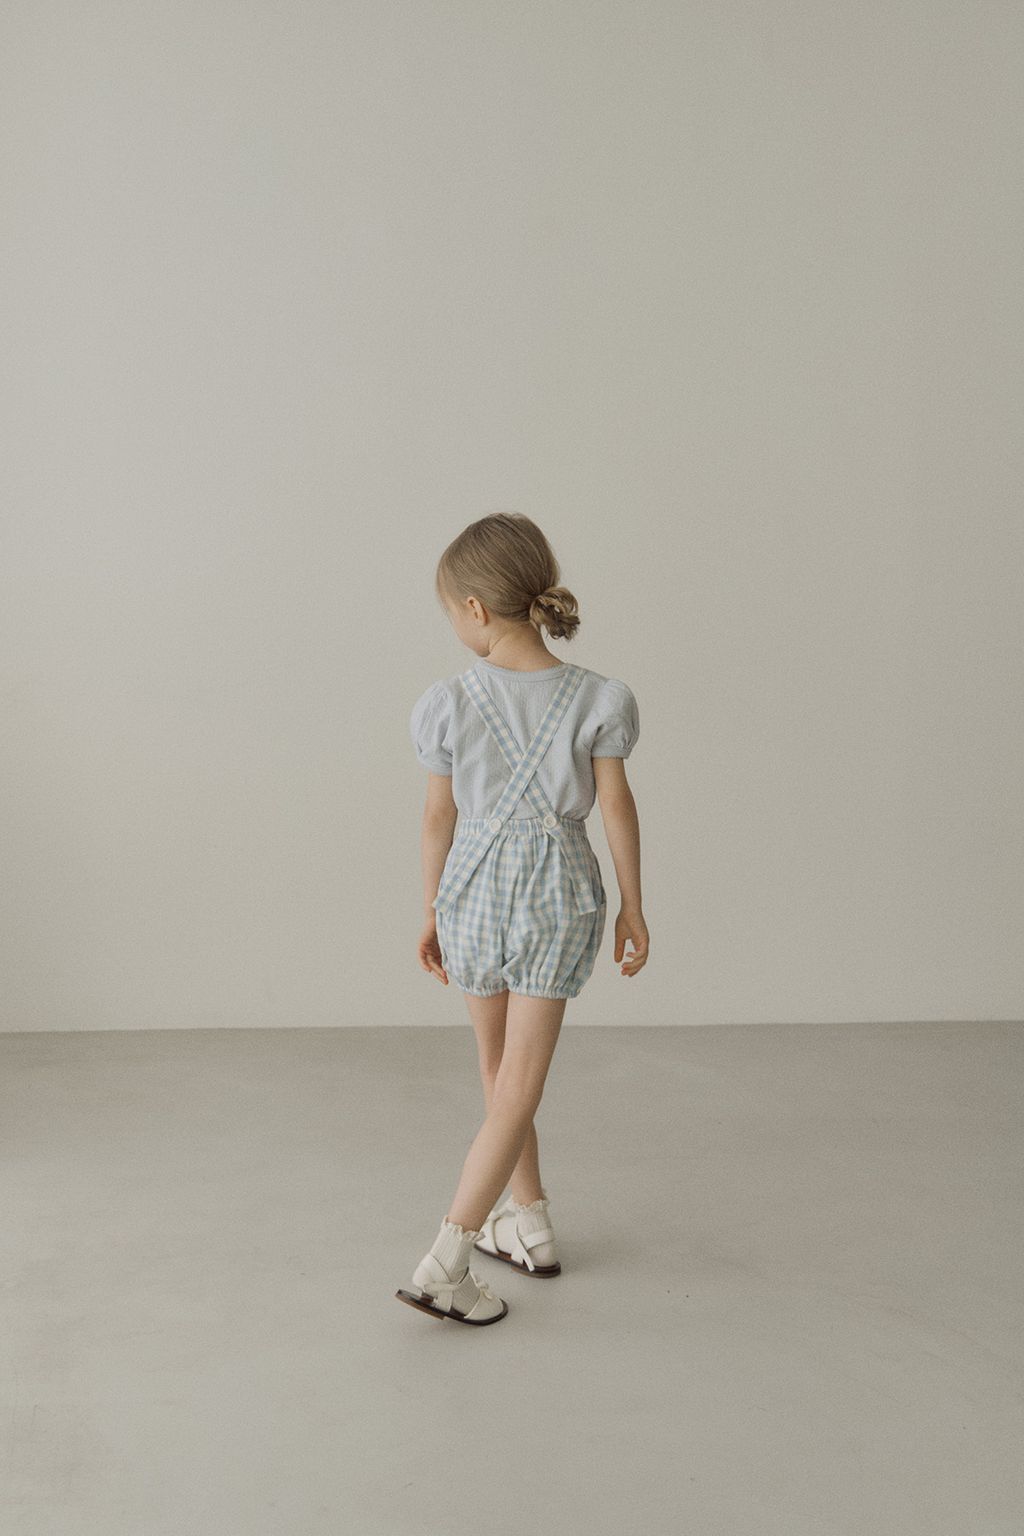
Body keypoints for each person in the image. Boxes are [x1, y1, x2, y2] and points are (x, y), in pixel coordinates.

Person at [395, 512, 649, 1325]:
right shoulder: (599, 698)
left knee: (498, 1071)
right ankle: (489, 1237)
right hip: (557, 892)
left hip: (471, 890)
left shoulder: (447, 702)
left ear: (474, 609)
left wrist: (432, 908)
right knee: (519, 1084)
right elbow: (616, 805)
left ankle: (499, 1233)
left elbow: (438, 817)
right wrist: (633, 904)